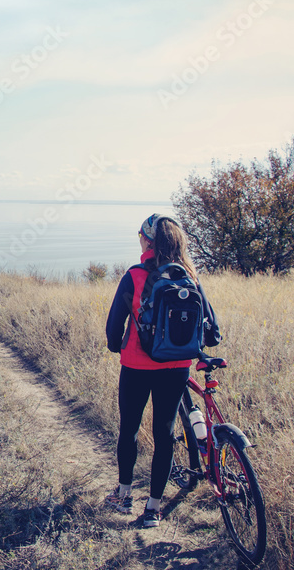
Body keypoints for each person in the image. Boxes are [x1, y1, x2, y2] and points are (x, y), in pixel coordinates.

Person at [102, 213, 221, 528]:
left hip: (137, 365)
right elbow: (213, 334)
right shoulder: (191, 278)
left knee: (129, 429)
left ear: (148, 241)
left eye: (141, 236)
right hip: (177, 369)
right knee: (164, 434)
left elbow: (114, 329)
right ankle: (153, 509)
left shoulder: (136, 276)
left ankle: (124, 496)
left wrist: (118, 346)